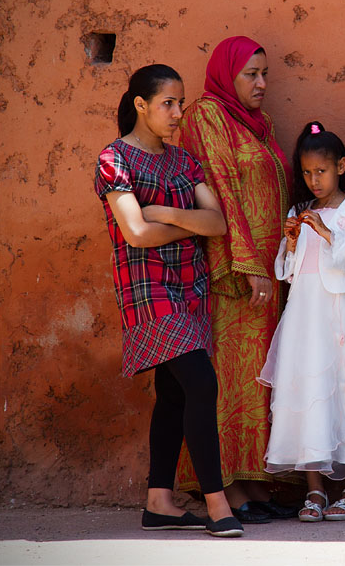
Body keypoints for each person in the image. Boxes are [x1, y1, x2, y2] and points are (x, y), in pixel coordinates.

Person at [94, 64, 243, 538]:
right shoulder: (113, 159)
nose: (179, 113)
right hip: (147, 291)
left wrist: (163, 212)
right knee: (200, 383)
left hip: (190, 286)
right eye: (169, 104)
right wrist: (187, 221)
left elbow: (218, 224)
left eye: (181, 103)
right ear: (140, 105)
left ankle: (159, 500)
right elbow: (135, 234)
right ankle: (218, 505)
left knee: (175, 393)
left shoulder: (184, 162)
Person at [175, 37, 295, 523]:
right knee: (230, 376)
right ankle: (226, 485)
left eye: (265, 74)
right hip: (235, 273)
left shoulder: (260, 126)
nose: (262, 83)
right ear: (228, 75)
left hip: (270, 273)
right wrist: (245, 262)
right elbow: (220, 186)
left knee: (258, 378)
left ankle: (253, 480)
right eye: (251, 74)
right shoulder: (208, 116)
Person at [258, 121, 345, 521]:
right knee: (306, 390)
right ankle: (314, 489)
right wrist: (292, 243)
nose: (314, 180)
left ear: (343, 166)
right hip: (304, 316)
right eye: (307, 173)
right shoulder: (300, 212)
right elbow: (286, 272)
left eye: (322, 171)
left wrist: (329, 234)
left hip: (342, 315)